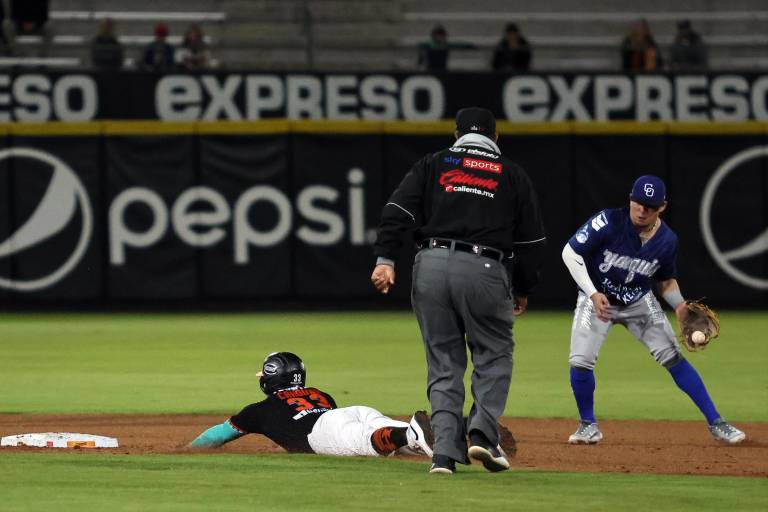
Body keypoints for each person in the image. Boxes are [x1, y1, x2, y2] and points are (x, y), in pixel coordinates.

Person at [371, 107, 546, 474]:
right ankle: (482, 435)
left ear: (456, 135)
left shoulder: (433, 163)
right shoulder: (512, 174)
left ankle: (444, 454)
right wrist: (523, 288)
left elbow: (395, 210)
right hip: (485, 268)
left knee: (443, 362)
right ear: (496, 138)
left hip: (430, 266)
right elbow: (531, 243)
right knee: (494, 353)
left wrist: (386, 259)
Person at [561, 175, 746, 446]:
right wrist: (592, 293)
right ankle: (588, 425)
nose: (642, 210)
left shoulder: (668, 240)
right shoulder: (609, 221)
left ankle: (717, 423)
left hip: (638, 301)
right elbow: (569, 253)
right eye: (639, 203)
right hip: (597, 300)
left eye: (650, 206)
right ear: (630, 200)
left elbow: (665, 280)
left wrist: (680, 306)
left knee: (673, 357)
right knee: (580, 361)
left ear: (662, 207)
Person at [190, 352, 434, 458]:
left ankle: (411, 433)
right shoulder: (321, 394)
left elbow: (218, 435)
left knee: (364, 442)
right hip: (352, 411)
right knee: (382, 432)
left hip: (322, 432)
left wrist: (191, 448)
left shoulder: (258, 411)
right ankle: (429, 436)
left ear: (272, 377)